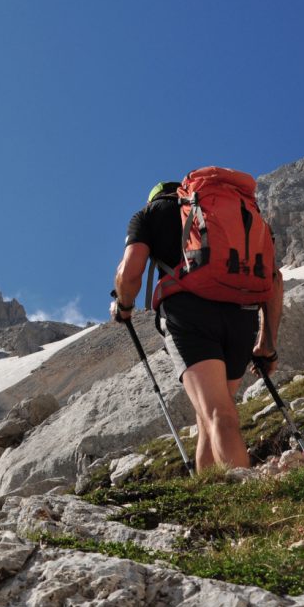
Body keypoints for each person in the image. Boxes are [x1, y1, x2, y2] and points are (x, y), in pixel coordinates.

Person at [111, 179, 284, 471]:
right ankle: (213, 492)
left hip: (188, 312)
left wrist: (124, 307)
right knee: (210, 413)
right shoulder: (233, 212)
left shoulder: (150, 213)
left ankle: (246, 502)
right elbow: (274, 280)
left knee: (219, 414)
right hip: (241, 314)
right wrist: (267, 344)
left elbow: (129, 272)